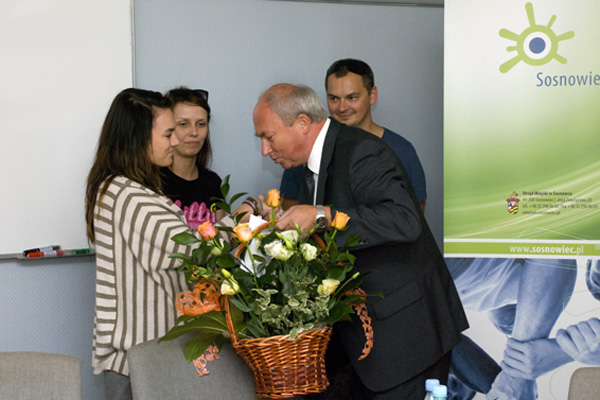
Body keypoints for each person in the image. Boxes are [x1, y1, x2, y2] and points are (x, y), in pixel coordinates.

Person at [253, 83, 468, 399]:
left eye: (268, 137)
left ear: (302, 123)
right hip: (365, 342)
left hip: (406, 339)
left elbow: (405, 220)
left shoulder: (360, 151)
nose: (264, 150)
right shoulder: (313, 165)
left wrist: (323, 215)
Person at [279, 58, 427, 212]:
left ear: (372, 95)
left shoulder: (401, 150)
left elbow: (414, 215)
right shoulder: (309, 146)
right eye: (334, 98)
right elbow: (290, 208)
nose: (342, 107)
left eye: (352, 98)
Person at [161, 87, 223, 230]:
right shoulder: (153, 183)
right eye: (183, 124)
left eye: (201, 124)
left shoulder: (213, 183)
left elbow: (222, 238)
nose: (194, 132)